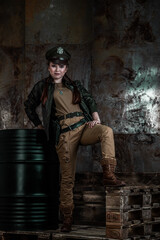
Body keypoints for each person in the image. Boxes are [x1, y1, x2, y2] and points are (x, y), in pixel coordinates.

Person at [24, 46, 125, 232]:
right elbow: (29, 106)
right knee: (67, 179)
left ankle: (109, 175)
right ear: (49, 67)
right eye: (54, 65)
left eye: (61, 66)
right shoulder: (43, 87)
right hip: (64, 135)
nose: (57, 69)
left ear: (66, 69)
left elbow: (89, 99)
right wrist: (39, 125)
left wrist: (95, 117)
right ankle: (67, 218)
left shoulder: (75, 85)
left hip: (84, 127)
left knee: (106, 131)